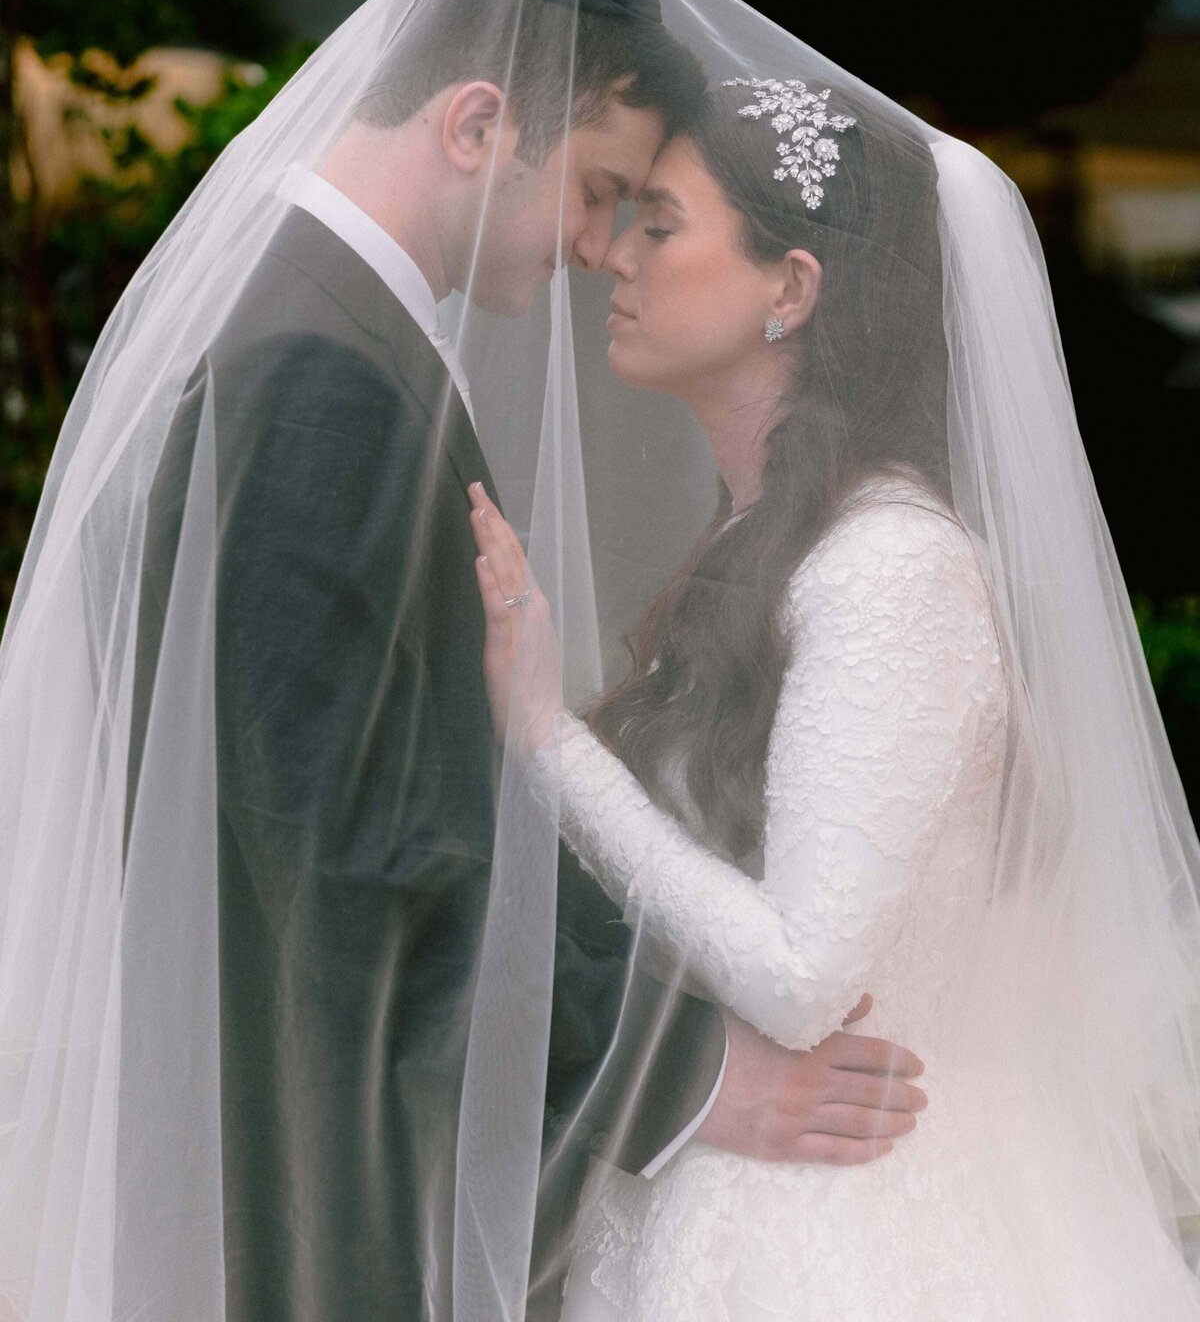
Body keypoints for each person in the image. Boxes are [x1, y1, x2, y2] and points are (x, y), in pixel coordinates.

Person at [0, 0, 928, 1322]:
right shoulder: (315, 379)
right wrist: (673, 1075)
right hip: (313, 1177)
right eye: (600, 189)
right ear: (478, 126)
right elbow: (358, 852)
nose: (599, 245)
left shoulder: (326, 335)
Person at [470, 73, 1200, 1317]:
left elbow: (804, 969)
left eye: (660, 224)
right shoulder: (770, 543)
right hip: (741, 1185)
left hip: (849, 1228)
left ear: (791, 290)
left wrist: (546, 740)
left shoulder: (890, 570)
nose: (612, 260)